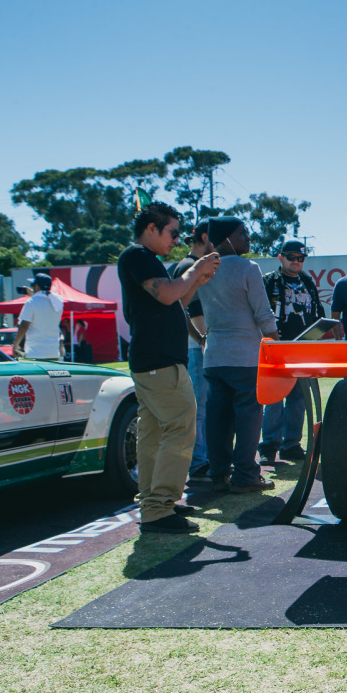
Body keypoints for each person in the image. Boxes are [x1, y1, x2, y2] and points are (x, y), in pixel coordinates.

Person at [117, 201, 219, 534]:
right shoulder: (138, 256)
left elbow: (174, 302)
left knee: (154, 434)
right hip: (159, 362)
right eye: (172, 233)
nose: (176, 240)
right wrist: (193, 271)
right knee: (180, 427)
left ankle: (154, 506)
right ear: (152, 228)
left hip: (154, 361)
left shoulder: (144, 259)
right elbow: (165, 295)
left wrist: (196, 280)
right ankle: (159, 506)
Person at [195, 216, 279, 495]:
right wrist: (277, 343)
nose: (248, 237)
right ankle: (245, 475)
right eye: (242, 233)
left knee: (217, 418)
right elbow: (263, 314)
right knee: (248, 418)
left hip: (214, 356)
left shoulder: (204, 269)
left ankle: (219, 474)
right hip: (244, 357)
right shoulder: (248, 268)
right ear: (227, 238)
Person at [259, 240, 324, 465]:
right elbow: (259, 313)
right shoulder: (269, 281)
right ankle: (269, 446)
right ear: (280, 258)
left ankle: (291, 444)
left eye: (300, 258)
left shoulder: (307, 281)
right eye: (291, 257)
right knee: (274, 399)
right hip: (276, 348)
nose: (296, 262)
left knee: (298, 399)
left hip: (303, 349)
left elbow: (318, 313)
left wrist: (318, 333)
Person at [170, 221, 212, 478]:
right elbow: (189, 308)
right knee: (198, 408)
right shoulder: (189, 265)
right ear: (205, 238)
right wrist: (203, 339)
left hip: (197, 345)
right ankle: (197, 461)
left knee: (202, 407)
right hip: (195, 347)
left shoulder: (189, 264)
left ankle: (202, 458)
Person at [15, 273, 64, 361]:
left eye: (33, 286)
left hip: (35, 353)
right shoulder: (58, 302)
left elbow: (24, 325)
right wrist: (34, 294)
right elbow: (44, 301)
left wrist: (16, 344)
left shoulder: (31, 302)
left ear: (37, 287)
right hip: (53, 352)